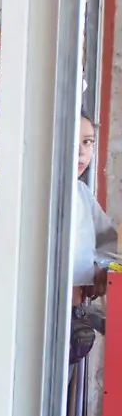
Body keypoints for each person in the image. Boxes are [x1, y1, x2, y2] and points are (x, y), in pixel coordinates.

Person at [73, 114, 115, 302]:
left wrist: (103, 266)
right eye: (72, 140)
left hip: (75, 305)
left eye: (87, 142)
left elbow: (109, 242)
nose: (81, 151)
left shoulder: (81, 191)